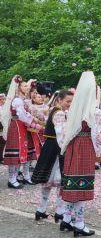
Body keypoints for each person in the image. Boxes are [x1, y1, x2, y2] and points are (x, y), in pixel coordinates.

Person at [59, 71, 101, 237]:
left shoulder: (74, 109)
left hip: (73, 146)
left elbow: (65, 133)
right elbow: (95, 135)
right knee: (82, 184)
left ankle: (67, 218)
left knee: (73, 183)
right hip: (84, 147)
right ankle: (80, 223)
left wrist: (65, 148)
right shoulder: (93, 111)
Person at [32, 90, 74, 222]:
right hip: (57, 148)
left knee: (47, 181)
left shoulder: (53, 110)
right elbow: (62, 135)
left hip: (49, 147)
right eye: (68, 101)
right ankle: (59, 212)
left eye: (71, 101)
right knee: (59, 180)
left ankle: (41, 210)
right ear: (59, 100)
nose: (70, 104)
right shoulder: (60, 113)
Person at [1, 75, 41, 188]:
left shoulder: (22, 99)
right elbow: (22, 115)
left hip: (23, 127)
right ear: (18, 88)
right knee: (16, 153)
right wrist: (33, 122)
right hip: (17, 127)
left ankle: (21, 176)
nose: (27, 88)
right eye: (24, 86)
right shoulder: (17, 100)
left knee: (24, 153)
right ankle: (12, 179)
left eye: (27, 86)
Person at [0, 93, 6, 164]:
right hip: (0, 125)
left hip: (3, 125)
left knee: (2, 142)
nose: (5, 100)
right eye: (4, 99)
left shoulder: (4, 107)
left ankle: (1, 157)